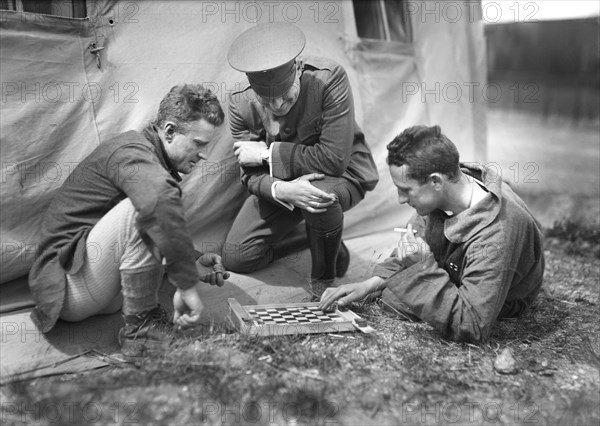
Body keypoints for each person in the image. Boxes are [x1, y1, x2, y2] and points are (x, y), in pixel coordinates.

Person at [28, 84, 229, 358]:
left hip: (100, 284)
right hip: (68, 288)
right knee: (144, 207)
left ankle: (145, 323)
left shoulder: (150, 158)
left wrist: (192, 259)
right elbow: (154, 203)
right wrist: (186, 283)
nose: (203, 154)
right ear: (169, 131)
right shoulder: (130, 151)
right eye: (198, 143)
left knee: (154, 210)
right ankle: (142, 336)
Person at [319, 125, 545, 343]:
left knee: (398, 299)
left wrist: (423, 269)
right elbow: (408, 251)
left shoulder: (496, 234)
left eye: (406, 190)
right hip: (454, 270)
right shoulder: (446, 189)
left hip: (503, 298)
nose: (401, 199)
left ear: (436, 181)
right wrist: (367, 286)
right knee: (394, 296)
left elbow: (472, 326)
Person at [222, 22, 379, 299]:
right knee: (238, 256)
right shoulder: (240, 103)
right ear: (253, 91)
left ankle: (323, 277)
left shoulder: (328, 79)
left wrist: (265, 154)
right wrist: (281, 189)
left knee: (321, 196)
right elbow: (250, 176)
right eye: (268, 101)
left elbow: (333, 160)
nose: (279, 106)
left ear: (297, 71)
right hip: (283, 186)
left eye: (286, 95)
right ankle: (319, 238)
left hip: (343, 176)